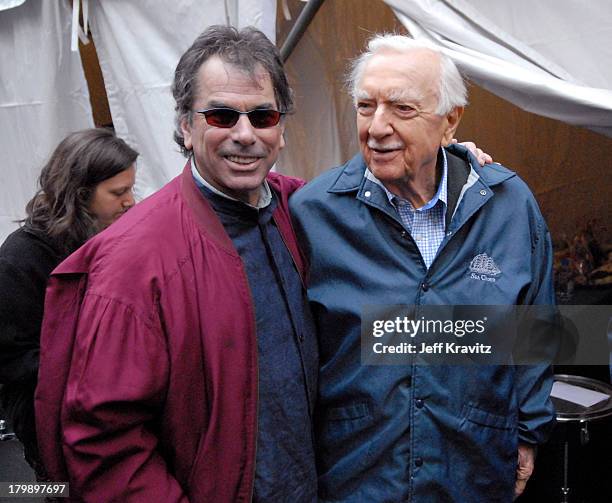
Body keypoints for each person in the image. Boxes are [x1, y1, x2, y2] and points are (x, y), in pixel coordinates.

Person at [35, 26, 318, 503]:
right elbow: (106, 442)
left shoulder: (302, 209)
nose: (245, 135)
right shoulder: (134, 259)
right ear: (187, 127)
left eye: (263, 115)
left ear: (282, 127)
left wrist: (453, 163)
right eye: (222, 116)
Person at [290, 35, 556, 502]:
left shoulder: (508, 205)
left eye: (402, 109)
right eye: (365, 106)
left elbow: (535, 326)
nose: (377, 127)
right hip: (357, 477)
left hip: (472, 473)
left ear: (450, 121)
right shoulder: (314, 213)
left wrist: (529, 429)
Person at [0, 128, 137, 479]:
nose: (130, 201)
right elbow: (14, 362)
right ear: (80, 195)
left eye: (130, 189)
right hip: (56, 432)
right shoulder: (18, 261)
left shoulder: (108, 239)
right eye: (119, 192)